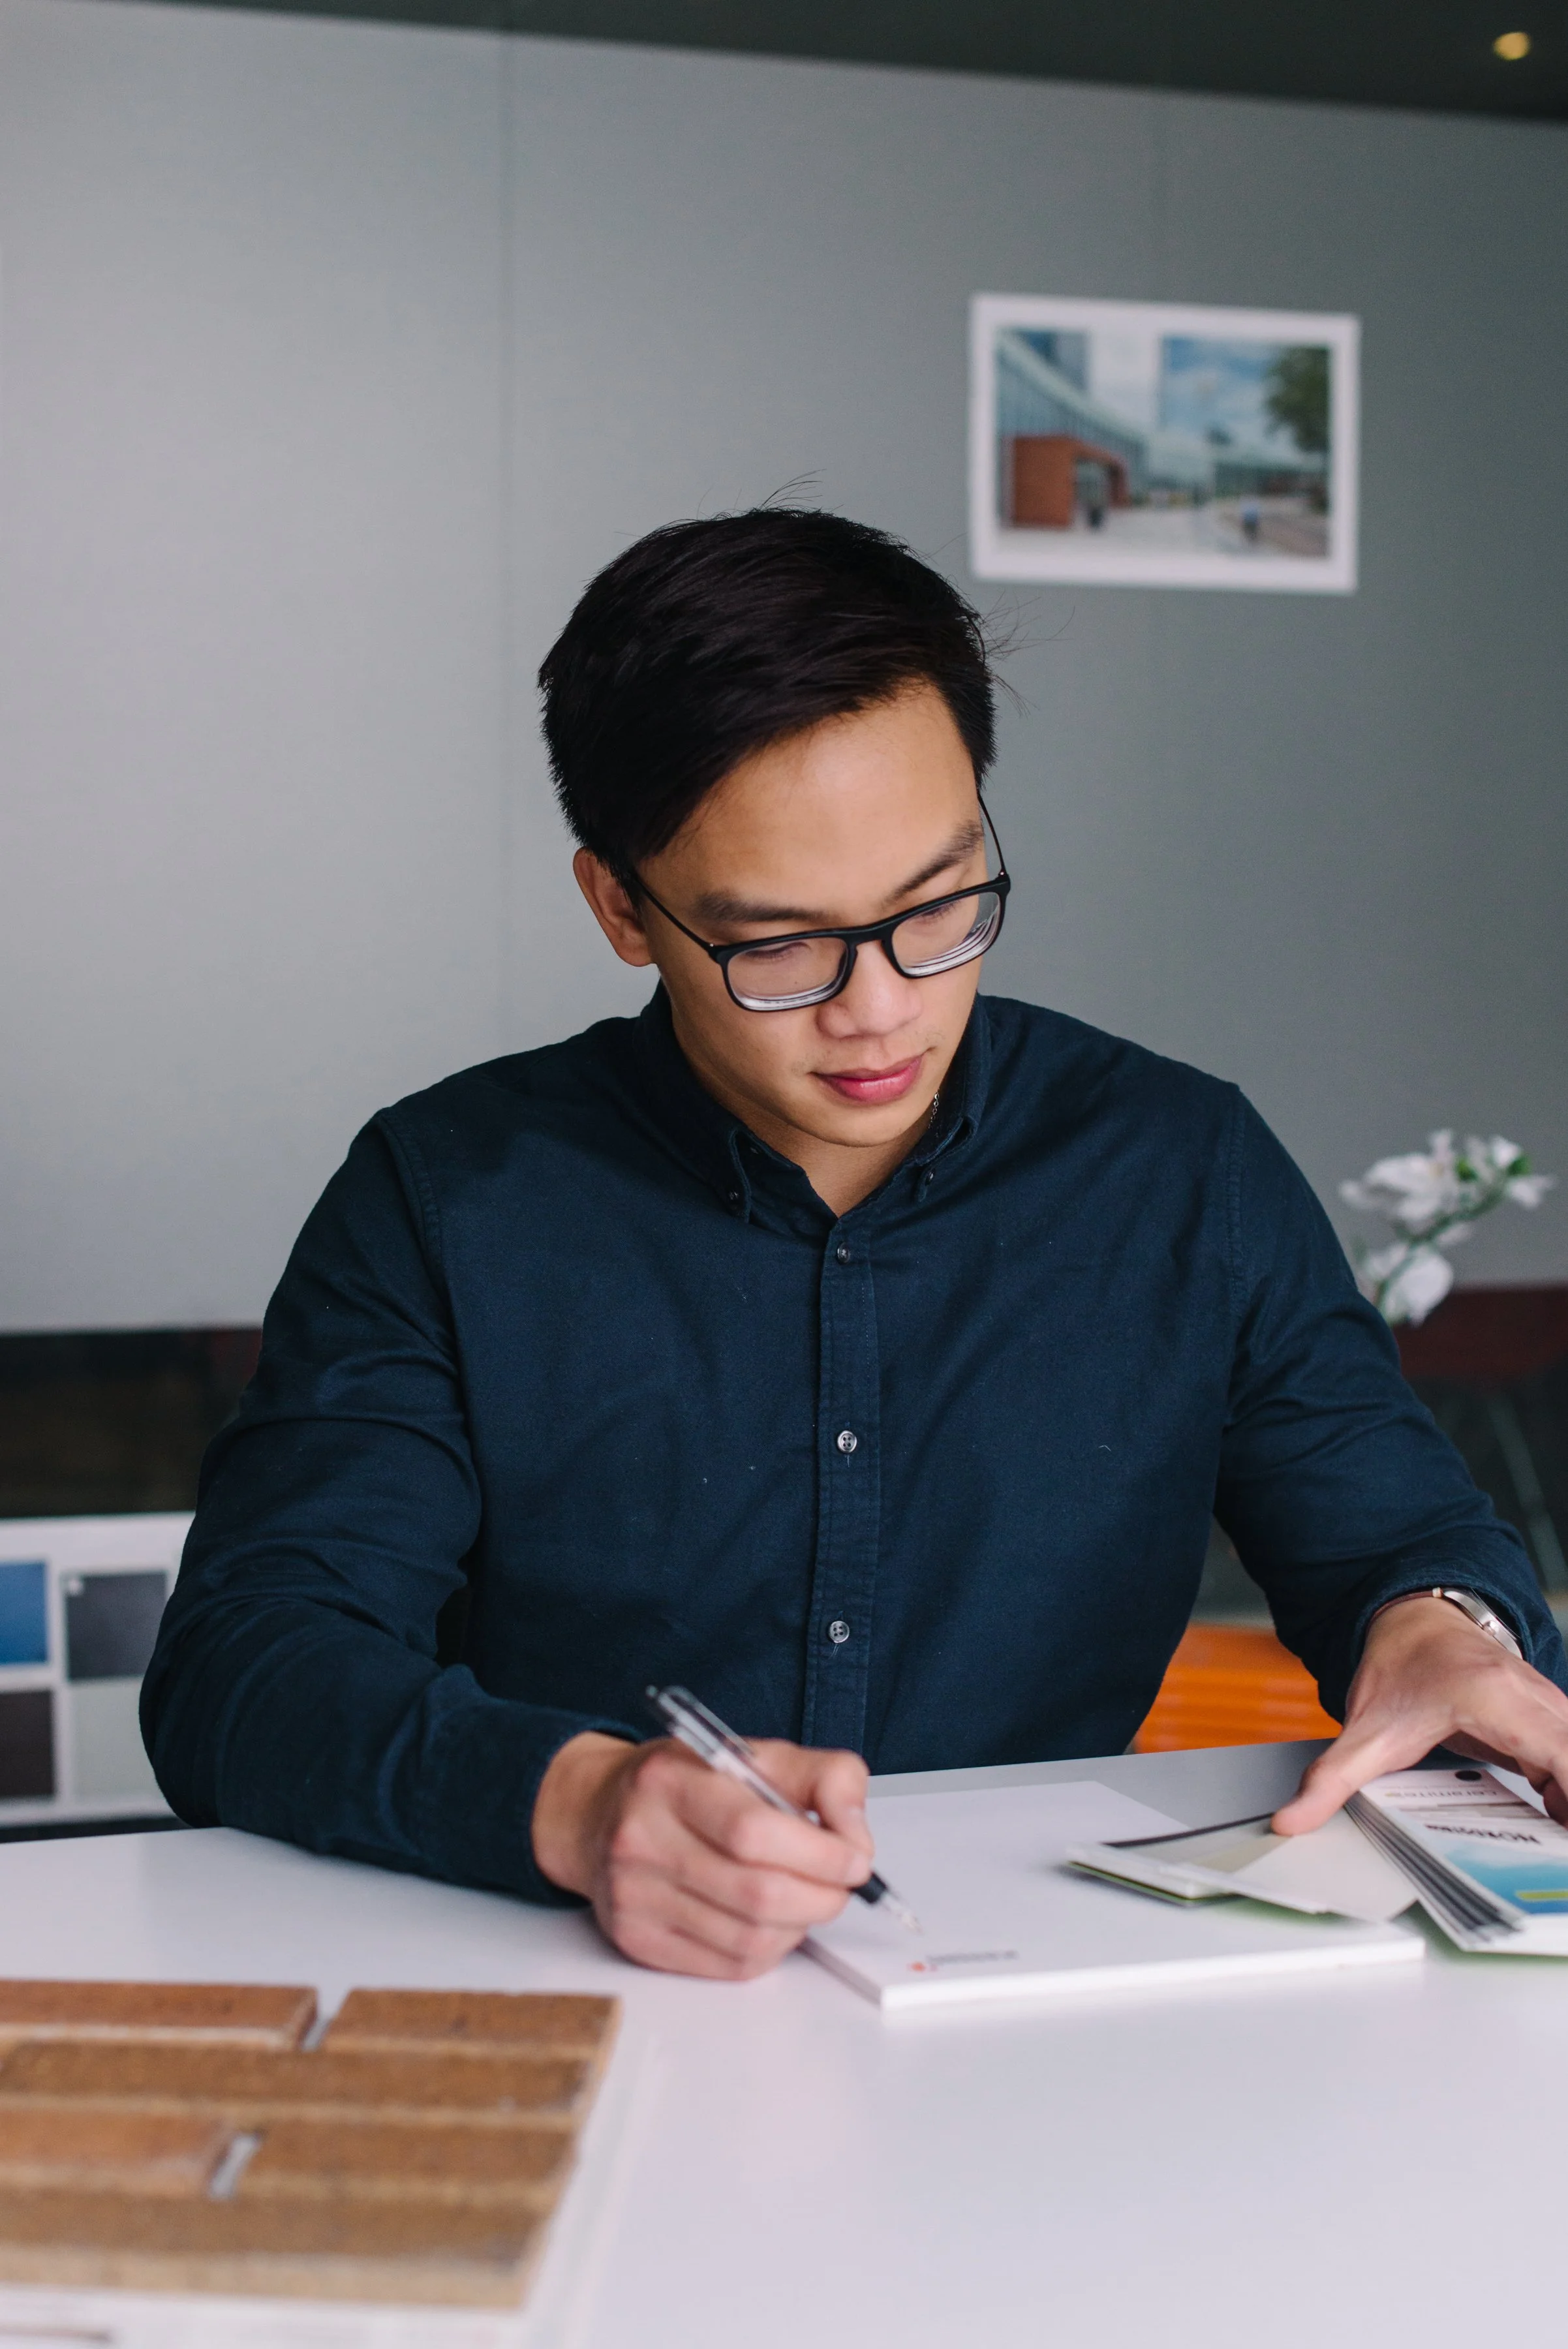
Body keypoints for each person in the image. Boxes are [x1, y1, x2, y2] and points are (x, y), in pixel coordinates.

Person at [142, 508, 1568, 1982]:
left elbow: (1397, 1535)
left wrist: (1441, 1630)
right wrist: (578, 1804)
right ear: (621, 906)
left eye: (937, 906)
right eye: (778, 946)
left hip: (1033, 1992)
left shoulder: (1177, 1170)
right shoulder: (448, 1198)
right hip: (584, 1981)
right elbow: (246, 1666)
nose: (879, 1010)